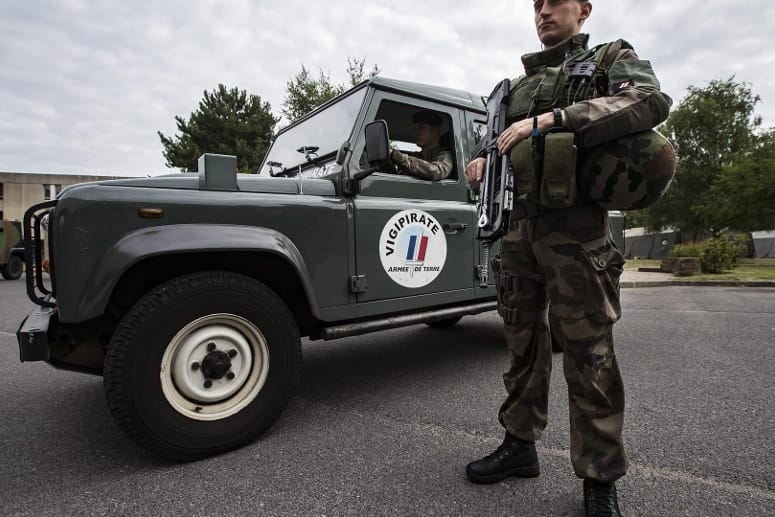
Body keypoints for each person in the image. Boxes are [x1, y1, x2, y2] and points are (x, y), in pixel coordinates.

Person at [464, 1, 673, 516]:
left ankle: (599, 477)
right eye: (536, 4)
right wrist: (480, 161)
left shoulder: (607, 59)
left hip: (577, 229)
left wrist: (556, 119)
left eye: (556, 2)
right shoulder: (510, 89)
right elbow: (496, 147)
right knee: (521, 345)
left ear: (583, 10)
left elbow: (648, 100)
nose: (543, 11)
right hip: (518, 229)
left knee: (589, 354)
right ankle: (519, 446)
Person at [389, 109, 454, 180]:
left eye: (422, 127)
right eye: (415, 129)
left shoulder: (445, 155)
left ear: (436, 131)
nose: (417, 132)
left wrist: (400, 158)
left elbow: (436, 171)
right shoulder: (416, 156)